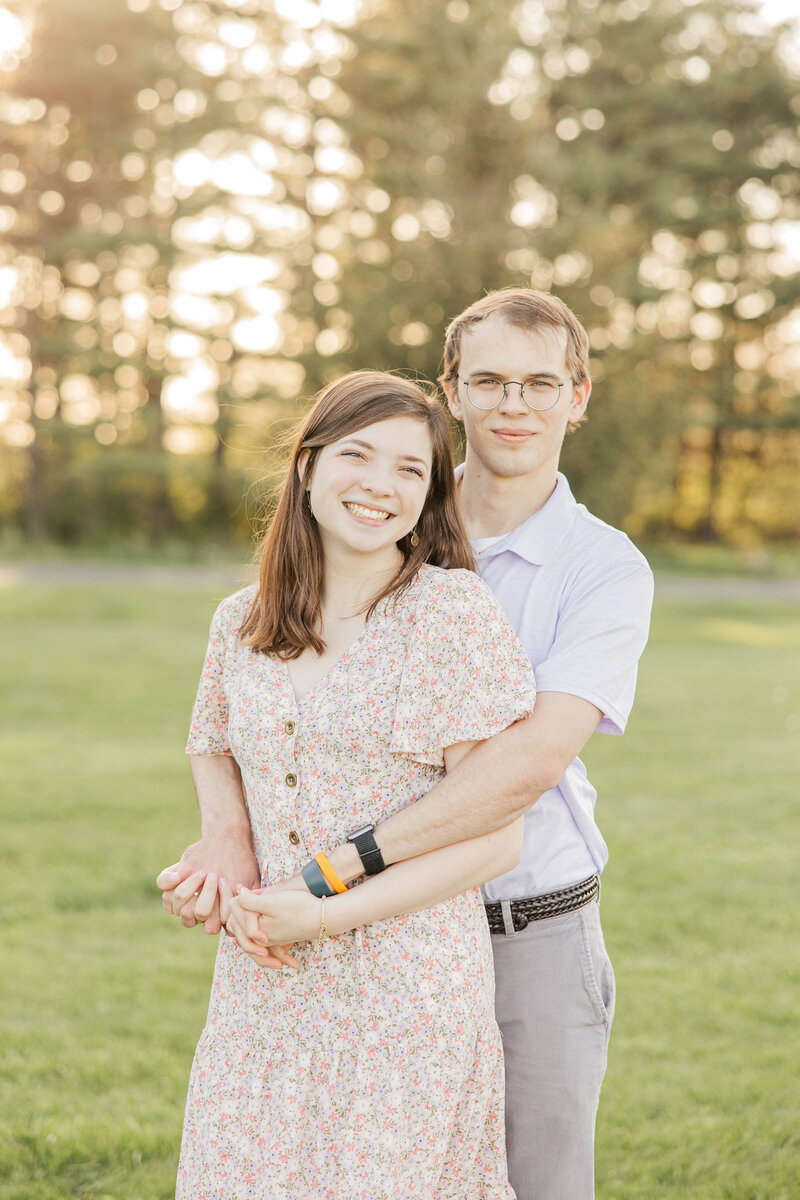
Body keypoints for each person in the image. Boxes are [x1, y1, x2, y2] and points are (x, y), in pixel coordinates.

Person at [160, 288, 654, 1200]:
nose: (515, 404)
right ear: (452, 391)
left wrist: (333, 875)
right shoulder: (393, 519)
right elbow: (222, 726)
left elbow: (531, 766)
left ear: (577, 397)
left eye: (540, 383)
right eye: (491, 380)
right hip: (308, 948)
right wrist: (228, 833)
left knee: (528, 1180)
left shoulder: (591, 570)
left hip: (519, 919)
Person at [168, 370, 536, 1200]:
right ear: (306, 467)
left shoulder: (451, 616)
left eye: (410, 469)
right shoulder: (241, 619)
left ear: (430, 494)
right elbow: (214, 750)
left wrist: (323, 911)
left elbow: (498, 834)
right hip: (265, 984)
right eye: (357, 454)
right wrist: (217, 866)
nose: (381, 484)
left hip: (405, 991)